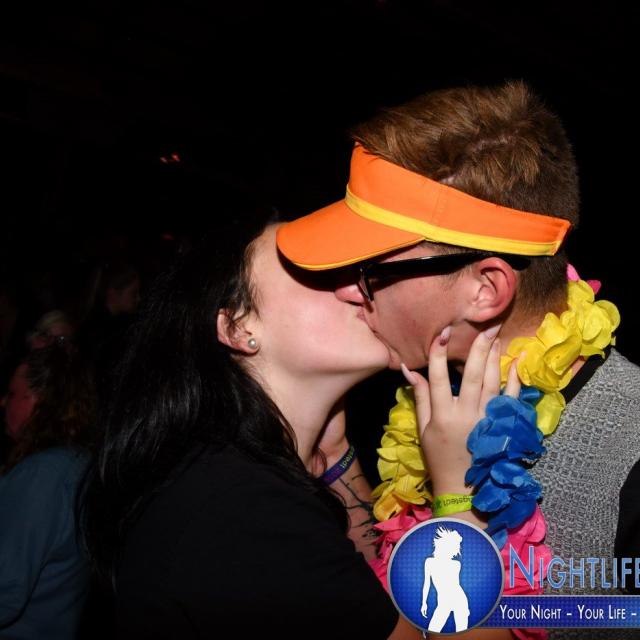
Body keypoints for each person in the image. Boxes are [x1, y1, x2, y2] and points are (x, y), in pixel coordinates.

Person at [276, 81, 639, 637]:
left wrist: (459, 503)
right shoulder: (416, 395)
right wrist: (341, 464)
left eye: (370, 270)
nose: (350, 290)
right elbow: (406, 607)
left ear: (486, 290)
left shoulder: (631, 449)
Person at [80, 198, 512, 639]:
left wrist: (337, 459)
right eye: (319, 274)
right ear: (238, 327)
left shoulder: (238, 476)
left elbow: (376, 603)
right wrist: (459, 491)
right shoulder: (239, 513)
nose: (360, 287)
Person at [0, 344, 95, 639]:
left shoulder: (42, 474)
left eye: (12, 394)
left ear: (40, 400)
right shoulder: (78, 465)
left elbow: (6, 589)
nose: (3, 402)